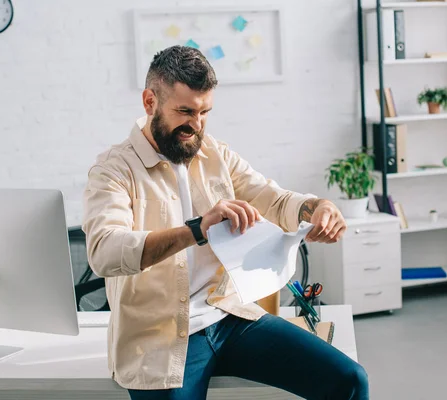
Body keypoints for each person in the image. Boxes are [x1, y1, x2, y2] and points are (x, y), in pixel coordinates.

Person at [82, 45, 369, 400]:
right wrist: (196, 229)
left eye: (204, 112)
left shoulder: (214, 153)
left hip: (229, 317)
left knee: (350, 381)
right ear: (149, 102)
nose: (196, 124)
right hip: (160, 336)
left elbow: (274, 199)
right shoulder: (113, 170)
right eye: (185, 111)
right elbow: (103, 251)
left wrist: (318, 206)